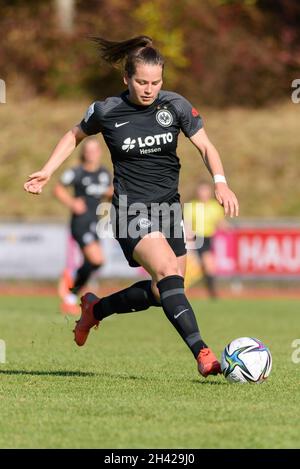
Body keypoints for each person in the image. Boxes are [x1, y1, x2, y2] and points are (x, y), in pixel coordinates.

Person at [24, 36, 239, 378]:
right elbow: (73, 135)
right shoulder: (107, 110)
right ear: (126, 78)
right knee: (168, 272)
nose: (149, 89)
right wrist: (48, 171)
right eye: (141, 82)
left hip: (169, 210)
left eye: (155, 82)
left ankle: (96, 309)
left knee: (163, 291)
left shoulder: (176, 106)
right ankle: (203, 353)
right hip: (130, 212)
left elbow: (206, 146)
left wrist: (221, 181)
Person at [54, 137, 113, 314]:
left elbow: (109, 193)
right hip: (80, 223)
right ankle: (70, 291)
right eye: (88, 150)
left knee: (94, 263)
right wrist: (72, 202)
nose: (91, 154)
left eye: (95, 150)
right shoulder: (76, 172)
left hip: (95, 223)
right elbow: (58, 188)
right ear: (83, 153)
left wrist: (111, 194)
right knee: (97, 260)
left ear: (100, 152)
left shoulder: (104, 173)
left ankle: (70, 294)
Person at [185, 180, 227, 299]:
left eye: (206, 190)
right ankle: (183, 291)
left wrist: (228, 228)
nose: (203, 193)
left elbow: (220, 222)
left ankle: (212, 292)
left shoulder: (215, 206)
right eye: (201, 190)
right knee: (199, 267)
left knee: (208, 266)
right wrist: (189, 238)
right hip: (195, 238)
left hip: (208, 238)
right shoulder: (192, 205)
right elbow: (186, 223)